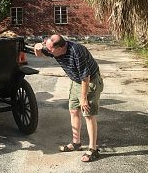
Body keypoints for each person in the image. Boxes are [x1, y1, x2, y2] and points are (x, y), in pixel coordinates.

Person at [34, 34, 104, 162]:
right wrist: (37, 48)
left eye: (50, 50)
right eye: (47, 48)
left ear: (60, 48)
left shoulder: (77, 51)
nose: (48, 51)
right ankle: (76, 143)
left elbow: (85, 77)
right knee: (73, 111)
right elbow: (40, 54)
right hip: (76, 81)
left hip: (90, 81)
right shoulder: (53, 48)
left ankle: (93, 149)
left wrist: (83, 98)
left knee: (88, 114)